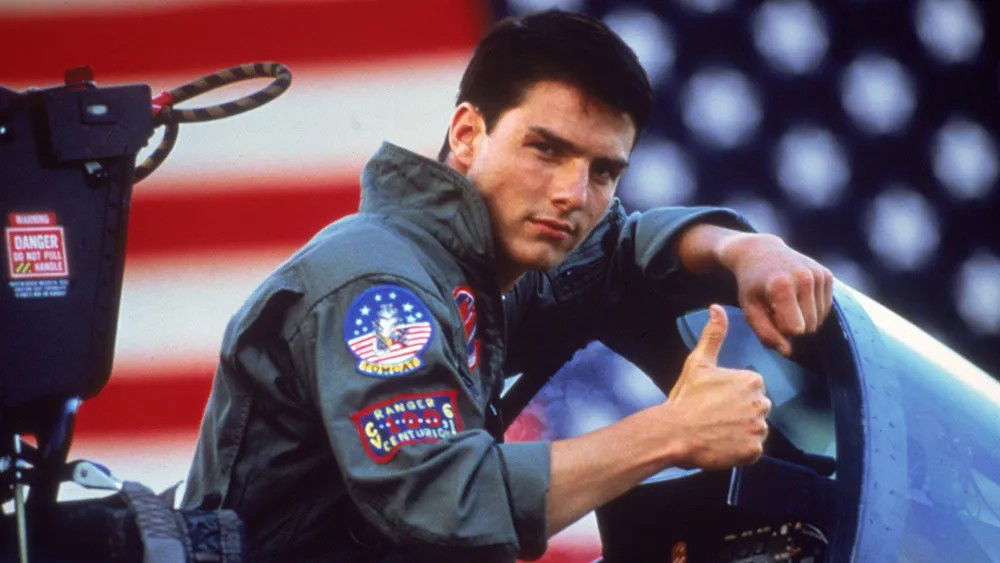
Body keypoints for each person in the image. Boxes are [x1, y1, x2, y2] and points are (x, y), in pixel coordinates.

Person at [182, 10, 833, 562]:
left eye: (603, 171)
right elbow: (444, 501)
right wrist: (673, 432)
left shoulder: (481, 264)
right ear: (468, 134)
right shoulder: (382, 287)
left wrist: (744, 248)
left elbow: (622, 253)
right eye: (546, 149)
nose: (573, 194)